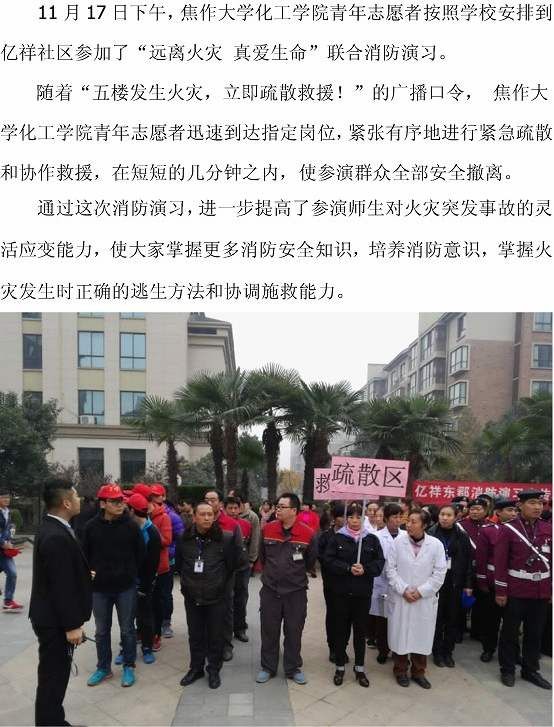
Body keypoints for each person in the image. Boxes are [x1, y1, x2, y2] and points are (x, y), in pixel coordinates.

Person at [29, 478, 92, 727]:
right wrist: (72, 625)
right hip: (54, 622)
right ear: (66, 502)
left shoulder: (53, 527)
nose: (79, 499)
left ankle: (54, 721)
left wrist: (83, 574)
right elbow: (60, 586)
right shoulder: (56, 535)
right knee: (53, 679)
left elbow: (59, 573)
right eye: (75, 496)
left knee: (53, 677)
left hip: (50, 617)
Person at [176, 501, 245, 689]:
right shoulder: (184, 538)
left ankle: (213, 669)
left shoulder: (226, 538)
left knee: (216, 636)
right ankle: (196, 668)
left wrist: (221, 585)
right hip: (192, 596)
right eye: (202, 514)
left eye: (210, 514)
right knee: (195, 634)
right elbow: (180, 565)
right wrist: (187, 585)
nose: (207, 518)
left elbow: (234, 564)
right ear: (194, 517)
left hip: (217, 597)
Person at [83, 484, 145, 688]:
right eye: (114, 501)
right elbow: (84, 554)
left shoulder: (131, 526)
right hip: (99, 588)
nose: (120, 505)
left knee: (127, 629)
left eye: (121, 501)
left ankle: (129, 666)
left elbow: (141, 553)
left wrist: (130, 574)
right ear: (103, 504)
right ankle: (103, 667)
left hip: (125, 587)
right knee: (101, 630)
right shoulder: (91, 527)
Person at [256, 492, 316, 686]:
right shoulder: (268, 529)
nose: (278, 509)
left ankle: (292, 668)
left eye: (282, 507)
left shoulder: (308, 533)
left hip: (295, 592)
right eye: (277, 506)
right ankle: (268, 667)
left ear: (294, 510)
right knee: (269, 630)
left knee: (293, 631)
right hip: (270, 590)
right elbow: (263, 556)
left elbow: (310, 562)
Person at [495, 489, 552, 689]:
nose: (537, 507)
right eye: (533, 502)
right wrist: (501, 591)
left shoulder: (548, 528)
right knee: (510, 633)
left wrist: (551, 589)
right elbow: (500, 562)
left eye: (540, 503)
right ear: (520, 505)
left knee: (534, 633)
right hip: (516, 590)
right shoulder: (508, 529)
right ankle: (508, 669)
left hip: (540, 590)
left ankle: (530, 670)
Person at [323, 503, 384, 687]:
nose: (355, 521)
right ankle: (340, 667)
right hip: (341, 594)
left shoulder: (371, 540)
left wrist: (365, 569)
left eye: (358, 517)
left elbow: (379, 563)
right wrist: (348, 568)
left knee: (360, 633)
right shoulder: (337, 538)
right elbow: (328, 561)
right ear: (346, 518)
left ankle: (359, 668)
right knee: (341, 631)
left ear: (364, 518)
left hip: (362, 595)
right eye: (351, 517)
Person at [386, 511, 447, 689]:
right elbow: (390, 569)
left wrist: (421, 592)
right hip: (402, 597)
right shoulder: (398, 542)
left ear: (424, 525)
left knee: (421, 636)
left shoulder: (436, 545)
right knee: (400, 635)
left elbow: (440, 573)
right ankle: (400, 670)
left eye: (413, 522)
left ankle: (419, 672)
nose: (408, 525)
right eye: (408, 521)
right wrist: (404, 589)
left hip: (423, 599)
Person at [427, 504, 473, 668]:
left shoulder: (462, 536)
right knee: (437, 619)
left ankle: (448, 651)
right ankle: (437, 652)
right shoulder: (431, 533)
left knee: (453, 619)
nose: (445, 518)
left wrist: (468, 584)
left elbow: (468, 561)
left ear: (455, 517)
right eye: (442, 514)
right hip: (435, 583)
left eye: (449, 515)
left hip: (455, 582)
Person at [474, 498, 519, 662]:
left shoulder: (521, 532)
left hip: (515, 584)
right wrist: (482, 581)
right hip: (493, 582)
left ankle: (513, 653)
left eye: (515, 511)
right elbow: (481, 558)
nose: (513, 514)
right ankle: (488, 648)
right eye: (509, 510)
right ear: (498, 512)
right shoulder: (488, 531)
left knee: (513, 623)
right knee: (491, 620)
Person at [204, 489, 244, 662]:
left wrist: (228, 570)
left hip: (225, 576)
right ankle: (209, 643)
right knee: (206, 610)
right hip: (204, 577)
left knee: (226, 610)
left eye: (213, 499)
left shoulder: (231, 524)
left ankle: (226, 645)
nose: (209, 502)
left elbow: (238, 552)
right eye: (206, 499)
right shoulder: (198, 522)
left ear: (220, 503)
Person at [127, 493, 161, 665]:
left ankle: (147, 647)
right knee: (126, 618)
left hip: (143, 583)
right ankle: (126, 648)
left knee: (145, 616)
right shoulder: (127, 528)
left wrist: (144, 587)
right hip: (127, 582)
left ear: (132, 511)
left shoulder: (152, 532)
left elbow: (153, 564)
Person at [370, 503, 404, 665]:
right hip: (382, 584)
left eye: (400, 517)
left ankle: (397, 650)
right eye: (394, 517)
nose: (398, 520)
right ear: (386, 519)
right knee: (382, 621)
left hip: (400, 584)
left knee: (398, 620)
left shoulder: (406, 536)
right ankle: (383, 650)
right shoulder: (376, 537)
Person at [458, 497, 494, 644]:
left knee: (481, 602)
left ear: (485, 511)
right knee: (462, 601)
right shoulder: (460, 526)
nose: (474, 512)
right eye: (472, 509)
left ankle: (477, 631)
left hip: (483, 570)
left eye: (478, 509)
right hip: (465, 569)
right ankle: (459, 629)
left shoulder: (491, 527)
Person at [151, 484, 184, 639]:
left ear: (163, 497)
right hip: (150, 562)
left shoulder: (172, 516)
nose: (154, 498)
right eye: (152, 495)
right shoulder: (146, 514)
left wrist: (170, 552)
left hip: (167, 561)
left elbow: (181, 539)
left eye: (157, 495)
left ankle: (166, 623)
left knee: (165, 594)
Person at [317, 502, 346, 663]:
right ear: (335, 518)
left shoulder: (353, 536)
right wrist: (336, 566)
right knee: (333, 614)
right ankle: (333, 647)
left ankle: (342, 648)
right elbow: (321, 557)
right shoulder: (326, 536)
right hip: (331, 582)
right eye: (342, 516)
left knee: (345, 616)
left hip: (348, 582)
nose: (345, 519)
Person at [147, 485, 173, 652]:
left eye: (157, 496)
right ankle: (144, 632)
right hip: (144, 566)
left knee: (160, 599)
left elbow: (168, 540)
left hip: (160, 566)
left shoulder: (165, 517)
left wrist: (150, 533)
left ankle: (160, 629)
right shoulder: (140, 515)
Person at [224, 495, 253, 642]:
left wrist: (252, 560)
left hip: (242, 567)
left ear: (240, 508)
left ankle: (240, 628)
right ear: (224, 509)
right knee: (226, 599)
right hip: (225, 568)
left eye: (236, 508)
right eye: (230, 508)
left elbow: (252, 543)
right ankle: (225, 630)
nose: (233, 511)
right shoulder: (220, 524)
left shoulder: (246, 524)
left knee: (241, 599)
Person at [0, 491, 23, 612]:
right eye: (3, 497)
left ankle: (8, 601)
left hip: (5, 551)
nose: (6, 499)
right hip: (2, 547)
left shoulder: (8, 512)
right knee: (12, 573)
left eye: (7, 497)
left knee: (12, 573)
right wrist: (2, 543)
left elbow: (7, 530)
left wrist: (9, 541)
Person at [240, 497, 261, 575]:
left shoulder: (252, 516)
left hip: (245, 556)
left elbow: (255, 539)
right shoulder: (227, 514)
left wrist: (252, 559)